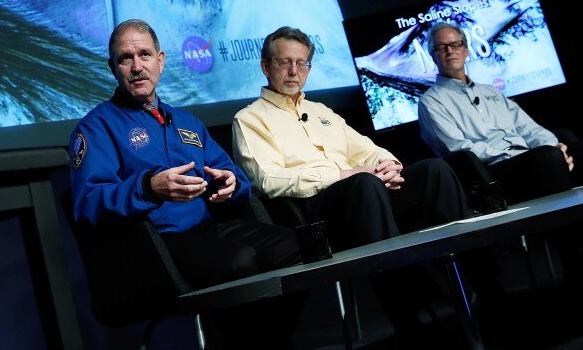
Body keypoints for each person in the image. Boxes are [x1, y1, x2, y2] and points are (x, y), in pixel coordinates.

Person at [232, 25, 507, 348]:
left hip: (367, 195)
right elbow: (267, 180)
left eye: (301, 63)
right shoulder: (249, 119)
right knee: (363, 183)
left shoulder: (321, 112)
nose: (294, 71)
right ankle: (407, 318)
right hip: (315, 215)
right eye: (284, 62)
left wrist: (388, 166)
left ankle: (489, 289)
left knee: (434, 171)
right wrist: (345, 174)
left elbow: (367, 150)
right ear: (266, 67)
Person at [68, 19, 306, 348]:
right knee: (239, 262)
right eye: (125, 58)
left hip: (210, 228)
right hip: (157, 246)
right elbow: (88, 204)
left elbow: (234, 176)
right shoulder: (95, 129)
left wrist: (230, 185)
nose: (137, 66)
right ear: (113, 68)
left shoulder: (187, 122)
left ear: (161, 60)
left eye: (145, 55)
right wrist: (148, 187)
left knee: (300, 248)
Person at [417, 21, 583, 283]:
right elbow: (459, 150)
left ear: (467, 49)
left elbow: (530, 129)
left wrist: (556, 147)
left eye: (456, 44)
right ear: (432, 55)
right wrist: (528, 153)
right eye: (441, 47)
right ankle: (573, 256)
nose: (450, 51)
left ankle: (572, 249)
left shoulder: (491, 92)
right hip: (489, 176)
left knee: (569, 144)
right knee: (547, 160)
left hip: (530, 162)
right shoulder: (431, 102)